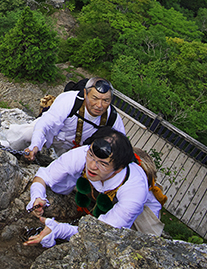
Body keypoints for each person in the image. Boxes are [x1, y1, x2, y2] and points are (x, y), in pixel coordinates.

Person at [24, 128, 163, 247]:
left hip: (138, 210)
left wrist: (60, 230)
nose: (92, 165)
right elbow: (43, 176)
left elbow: (104, 231)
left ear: (119, 169)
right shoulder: (85, 153)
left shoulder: (135, 190)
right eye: (90, 156)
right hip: (98, 189)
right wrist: (37, 197)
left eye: (103, 164)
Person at [23, 78, 125, 160]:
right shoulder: (69, 100)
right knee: (27, 134)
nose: (99, 105)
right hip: (54, 135)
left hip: (76, 151)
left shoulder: (112, 117)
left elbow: (120, 146)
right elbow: (45, 123)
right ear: (85, 93)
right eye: (95, 98)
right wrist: (35, 145)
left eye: (106, 100)